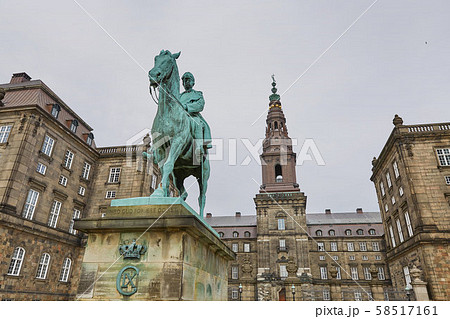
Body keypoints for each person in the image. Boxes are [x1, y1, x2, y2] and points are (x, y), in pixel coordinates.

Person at [179, 72, 212, 159]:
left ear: (193, 82)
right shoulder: (179, 96)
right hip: (179, 117)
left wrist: (186, 107)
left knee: (197, 123)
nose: (186, 82)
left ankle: (198, 147)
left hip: (192, 116)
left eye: (188, 80)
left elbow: (200, 105)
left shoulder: (198, 94)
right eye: (184, 80)